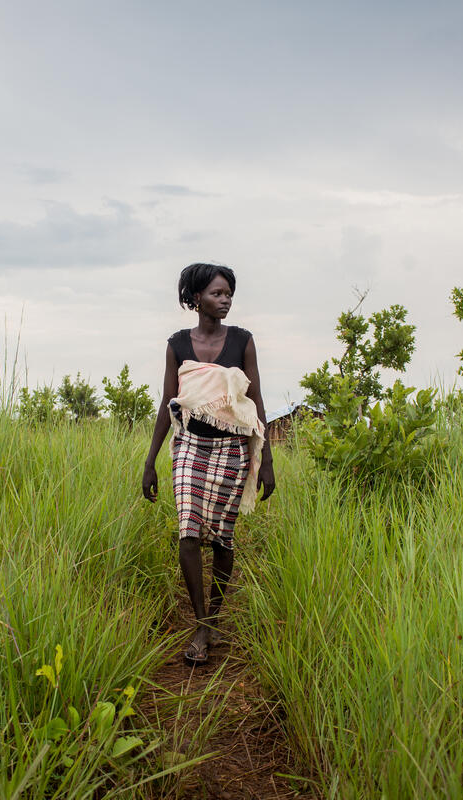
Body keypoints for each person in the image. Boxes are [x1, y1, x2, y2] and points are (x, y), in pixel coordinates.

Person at [142, 263, 276, 665]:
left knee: (221, 539)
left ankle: (213, 620)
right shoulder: (178, 345)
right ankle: (201, 626)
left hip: (232, 451)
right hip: (190, 448)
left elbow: (256, 404)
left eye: (229, 293)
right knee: (187, 534)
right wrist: (149, 462)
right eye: (217, 293)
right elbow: (169, 405)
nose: (226, 299)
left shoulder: (242, 342)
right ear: (196, 298)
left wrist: (265, 461)